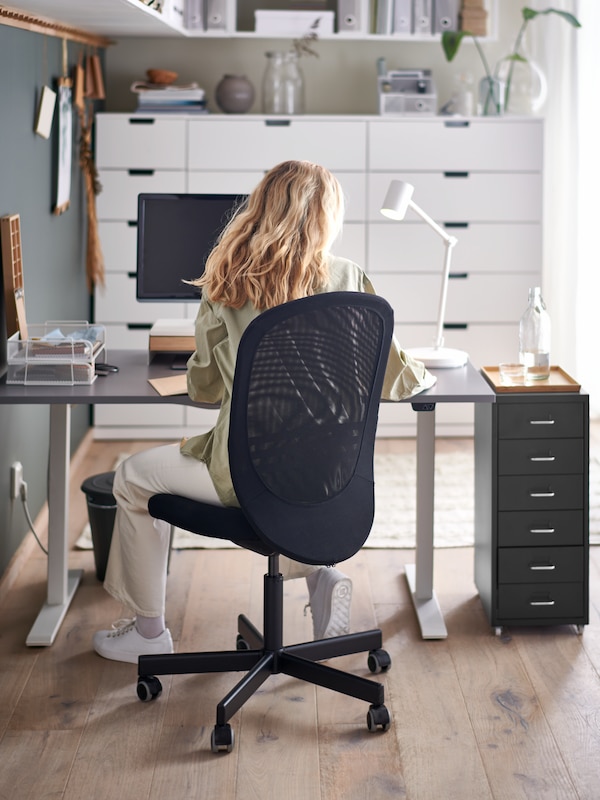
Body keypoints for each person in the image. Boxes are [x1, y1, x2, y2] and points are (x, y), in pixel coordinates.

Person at [93, 160, 436, 663]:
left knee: (131, 477)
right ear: (325, 217)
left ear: (261, 207)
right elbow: (396, 376)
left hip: (246, 473)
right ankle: (321, 577)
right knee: (291, 491)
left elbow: (206, 389)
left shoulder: (227, 280)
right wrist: (428, 372)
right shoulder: (349, 278)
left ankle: (148, 633)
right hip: (330, 476)